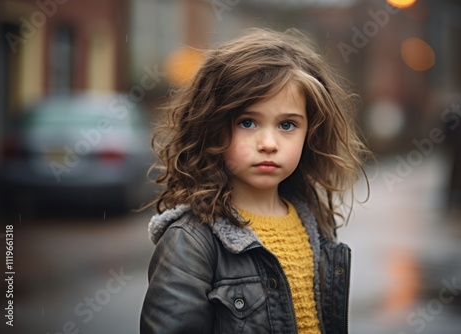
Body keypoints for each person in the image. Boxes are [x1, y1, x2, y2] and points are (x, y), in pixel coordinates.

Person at [140, 28, 370, 334]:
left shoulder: (314, 223)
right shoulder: (191, 242)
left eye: (287, 124)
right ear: (213, 128)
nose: (268, 143)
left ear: (309, 133)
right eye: (247, 122)